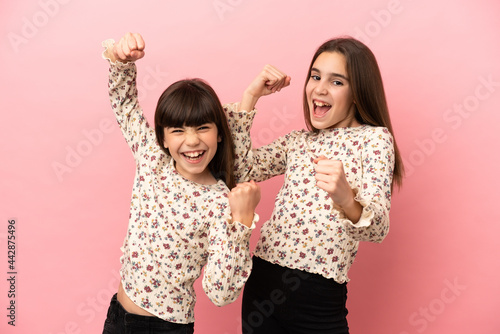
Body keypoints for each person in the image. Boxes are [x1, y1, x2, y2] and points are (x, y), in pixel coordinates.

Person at [224, 37, 404, 334]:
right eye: (315, 76)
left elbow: (378, 229)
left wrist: (347, 199)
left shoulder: (374, 140)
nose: (319, 89)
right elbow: (240, 171)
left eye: (336, 82)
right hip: (262, 284)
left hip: (318, 298)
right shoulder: (299, 141)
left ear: (358, 93)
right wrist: (249, 97)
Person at [101, 32, 261, 334]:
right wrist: (119, 58)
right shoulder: (152, 158)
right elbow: (124, 104)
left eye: (202, 127)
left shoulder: (221, 203)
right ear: (162, 136)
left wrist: (241, 223)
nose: (192, 141)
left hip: (165, 328)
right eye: (178, 130)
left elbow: (221, 293)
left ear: (219, 133)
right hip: (117, 315)